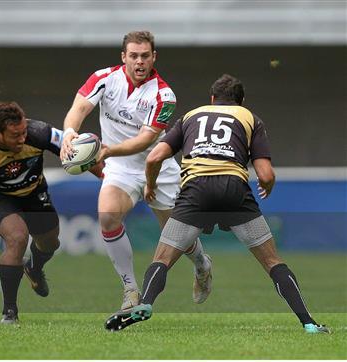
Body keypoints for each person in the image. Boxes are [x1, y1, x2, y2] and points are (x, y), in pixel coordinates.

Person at [104, 74, 330, 334]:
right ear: (241, 101)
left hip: (195, 192)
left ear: (211, 99)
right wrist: (267, 185)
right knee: (272, 262)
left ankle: (145, 303)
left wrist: (151, 185)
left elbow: (154, 157)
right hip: (234, 191)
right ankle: (309, 323)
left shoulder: (190, 116)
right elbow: (265, 174)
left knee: (163, 259)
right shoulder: (250, 118)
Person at [60, 30, 212, 310]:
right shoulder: (104, 78)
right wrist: (70, 132)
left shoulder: (164, 95)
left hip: (158, 167)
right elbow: (79, 108)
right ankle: (130, 289)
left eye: (145, 56)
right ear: (123, 57)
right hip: (120, 169)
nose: (139, 62)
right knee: (107, 218)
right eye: (133, 56)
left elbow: (146, 139)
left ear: (154, 57)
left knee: (178, 236)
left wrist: (105, 151)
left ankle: (202, 265)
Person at [0, 101, 101, 324]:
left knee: (50, 243)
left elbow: (80, 154)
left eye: (24, 132)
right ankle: (9, 312)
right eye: (15, 135)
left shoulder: (40, 132)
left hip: (34, 192)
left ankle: (34, 268)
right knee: (18, 239)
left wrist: (105, 177)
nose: (22, 138)